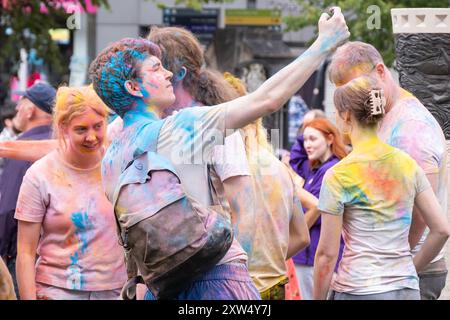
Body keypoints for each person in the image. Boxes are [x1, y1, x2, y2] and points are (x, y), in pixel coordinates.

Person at [88, 8, 349, 300]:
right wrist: (324, 44)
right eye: (155, 69)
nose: (168, 74)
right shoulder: (182, 128)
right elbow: (267, 99)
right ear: (133, 87)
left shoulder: (110, 157)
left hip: (160, 287)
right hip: (216, 278)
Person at [328, 41, 449, 300]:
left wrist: (403, 275)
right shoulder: (385, 119)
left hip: (406, 273)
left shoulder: (410, 129)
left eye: (357, 87)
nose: (353, 100)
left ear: (381, 71)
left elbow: (418, 216)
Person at [15, 86, 127, 300]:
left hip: (116, 290)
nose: (92, 137)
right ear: (63, 128)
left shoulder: (120, 165)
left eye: (98, 126)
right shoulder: (40, 175)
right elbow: (26, 252)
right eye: (81, 129)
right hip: (56, 291)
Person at [223, 72, 310, 299]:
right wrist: (271, 261)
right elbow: (302, 237)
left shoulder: (223, 171)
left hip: (234, 290)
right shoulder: (280, 169)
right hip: (275, 286)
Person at [0, 82, 56, 298]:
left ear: (31, 110)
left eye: (21, 103)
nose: (16, 109)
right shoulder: (67, 147)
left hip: (23, 257)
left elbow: (7, 209)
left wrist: (3, 252)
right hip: (60, 261)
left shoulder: (22, 150)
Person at [289, 117, 347, 299]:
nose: (307, 144)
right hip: (307, 257)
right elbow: (295, 159)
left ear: (330, 139)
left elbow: (315, 213)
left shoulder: (332, 171)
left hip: (316, 258)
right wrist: (309, 123)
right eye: (305, 139)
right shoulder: (313, 168)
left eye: (313, 139)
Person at [0, 103, 20, 176]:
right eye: (17, 117)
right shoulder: (3, 142)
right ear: (8, 122)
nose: (20, 119)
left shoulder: (20, 136)